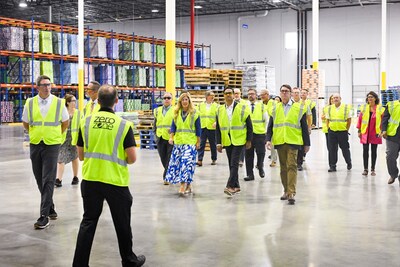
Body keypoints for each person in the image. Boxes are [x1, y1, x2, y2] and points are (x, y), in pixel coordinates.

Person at [73, 84, 145, 267]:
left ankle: (79, 264)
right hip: (115, 182)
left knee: (88, 221)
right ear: (116, 101)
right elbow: (132, 158)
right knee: (122, 223)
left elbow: (80, 155)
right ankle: (129, 260)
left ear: (97, 100)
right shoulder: (123, 125)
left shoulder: (86, 122)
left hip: (90, 180)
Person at [22, 75, 69, 229]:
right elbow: (26, 122)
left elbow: (65, 122)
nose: (47, 87)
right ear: (37, 87)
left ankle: (44, 216)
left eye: (49, 85)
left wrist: (57, 137)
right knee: (38, 178)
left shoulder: (59, 102)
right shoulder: (30, 103)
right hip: (35, 143)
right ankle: (50, 207)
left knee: (48, 178)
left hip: (52, 144)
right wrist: (36, 134)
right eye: (43, 85)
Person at [266, 84, 310, 205]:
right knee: (283, 168)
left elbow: (304, 127)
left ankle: (291, 192)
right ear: (280, 94)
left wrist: (307, 143)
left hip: (293, 141)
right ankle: (285, 190)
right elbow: (270, 125)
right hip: (280, 141)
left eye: (287, 91)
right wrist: (268, 139)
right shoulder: (275, 108)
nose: (284, 93)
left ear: (291, 93)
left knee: (292, 165)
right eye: (282, 91)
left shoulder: (299, 108)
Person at [216, 88, 252, 196]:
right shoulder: (220, 109)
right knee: (231, 164)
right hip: (227, 140)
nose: (228, 95)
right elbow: (218, 127)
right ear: (224, 95)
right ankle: (236, 186)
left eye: (230, 93)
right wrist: (218, 143)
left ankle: (230, 186)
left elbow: (249, 125)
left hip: (239, 139)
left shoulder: (242, 107)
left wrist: (249, 140)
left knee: (234, 163)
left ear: (233, 95)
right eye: (226, 93)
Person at [165, 92, 201, 195]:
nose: (185, 101)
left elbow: (198, 129)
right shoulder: (176, 113)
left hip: (190, 142)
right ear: (180, 101)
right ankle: (189, 185)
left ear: (189, 101)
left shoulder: (195, 113)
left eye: (186, 99)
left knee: (186, 163)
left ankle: (182, 185)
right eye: (183, 100)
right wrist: (171, 137)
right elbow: (173, 127)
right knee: (180, 164)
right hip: (179, 142)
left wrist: (198, 141)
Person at [356, 91, 385, 176]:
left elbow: (384, 121)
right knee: (365, 150)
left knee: (374, 151)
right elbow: (360, 120)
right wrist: (359, 131)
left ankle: (373, 169)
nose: (370, 98)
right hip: (365, 132)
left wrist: (383, 131)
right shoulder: (364, 108)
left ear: (375, 98)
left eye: (372, 97)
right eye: (368, 97)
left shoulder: (380, 108)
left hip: (375, 133)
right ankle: (365, 169)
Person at [55, 94, 80, 187]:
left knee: (74, 157)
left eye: (75, 101)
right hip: (64, 138)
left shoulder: (78, 113)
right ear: (68, 102)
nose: (74, 103)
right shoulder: (62, 112)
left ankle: (75, 177)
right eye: (73, 101)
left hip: (74, 138)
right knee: (60, 158)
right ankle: (59, 179)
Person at [244, 88, 268, 181]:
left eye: (252, 94)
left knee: (261, 153)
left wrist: (266, 133)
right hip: (248, 134)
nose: (251, 95)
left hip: (260, 134)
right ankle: (250, 174)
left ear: (256, 95)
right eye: (249, 94)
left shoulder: (262, 106)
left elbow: (267, 120)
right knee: (248, 155)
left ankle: (260, 165)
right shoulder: (244, 106)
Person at [326, 93, 352, 172]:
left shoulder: (346, 108)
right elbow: (327, 120)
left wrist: (346, 129)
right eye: (334, 98)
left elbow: (349, 120)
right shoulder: (329, 108)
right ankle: (332, 166)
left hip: (342, 132)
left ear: (340, 98)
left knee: (345, 148)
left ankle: (348, 162)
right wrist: (329, 128)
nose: (335, 99)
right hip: (332, 132)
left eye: (337, 98)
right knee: (332, 149)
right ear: (332, 99)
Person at [153, 92, 174, 185]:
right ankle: (169, 172)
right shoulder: (157, 110)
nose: (166, 99)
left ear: (171, 99)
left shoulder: (175, 110)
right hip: (160, 137)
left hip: (170, 138)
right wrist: (155, 136)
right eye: (165, 98)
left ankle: (166, 177)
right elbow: (155, 124)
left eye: (168, 98)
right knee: (163, 157)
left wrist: (173, 132)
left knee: (169, 157)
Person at [196, 90, 219, 166]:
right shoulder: (200, 105)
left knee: (213, 144)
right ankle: (199, 160)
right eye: (211, 95)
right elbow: (197, 115)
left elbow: (219, 116)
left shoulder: (216, 106)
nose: (212, 97)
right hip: (203, 127)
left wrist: (216, 122)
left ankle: (214, 159)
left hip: (212, 128)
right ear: (206, 97)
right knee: (201, 144)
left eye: (213, 95)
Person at [233, 88, 247, 167]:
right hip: (233, 129)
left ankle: (241, 160)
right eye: (235, 93)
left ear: (240, 94)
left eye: (237, 93)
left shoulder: (245, 103)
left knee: (242, 146)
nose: (236, 95)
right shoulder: (230, 103)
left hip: (242, 128)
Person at [269, 96, 281, 167]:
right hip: (274, 130)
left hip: (281, 131)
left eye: (278, 101)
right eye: (275, 101)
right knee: (273, 146)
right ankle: (274, 160)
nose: (276, 102)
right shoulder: (272, 109)